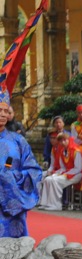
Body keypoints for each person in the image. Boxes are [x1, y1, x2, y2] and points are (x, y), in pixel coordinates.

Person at [0, 87, 42, 236]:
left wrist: (15, 177)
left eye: (6, 111)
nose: (3, 115)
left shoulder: (18, 141)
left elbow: (34, 171)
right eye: (0, 110)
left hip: (12, 202)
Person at [37, 132, 82, 211]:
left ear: (68, 140)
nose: (63, 142)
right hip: (66, 173)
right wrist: (57, 173)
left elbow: (78, 168)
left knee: (54, 180)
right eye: (61, 141)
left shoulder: (76, 150)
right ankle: (46, 203)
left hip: (76, 174)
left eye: (64, 140)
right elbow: (62, 167)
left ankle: (56, 204)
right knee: (48, 179)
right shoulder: (62, 151)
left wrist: (64, 174)